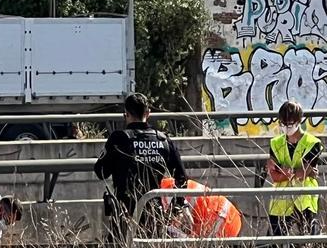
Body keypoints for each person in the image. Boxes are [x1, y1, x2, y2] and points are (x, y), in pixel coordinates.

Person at [94, 93, 188, 240]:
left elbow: (101, 172)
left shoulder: (119, 139)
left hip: (124, 215)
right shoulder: (163, 140)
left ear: (126, 114)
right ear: (148, 113)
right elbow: (181, 177)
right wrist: (175, 207)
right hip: (154, 215)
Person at [265, 101, 322, 236]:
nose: (285, 127)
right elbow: (274, 176)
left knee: (310, 240)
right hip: (281, 200)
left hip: (304, 199)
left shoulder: (312, 143)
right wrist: (293, 173)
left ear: (298, 121)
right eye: (282, 124)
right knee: (273, 243)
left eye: (289, 124)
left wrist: (283, 171)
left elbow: (303, 172)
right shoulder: (275, 143)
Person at [159, 177, 242, 239]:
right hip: (227, 216)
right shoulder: (170, 185)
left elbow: (175, 227)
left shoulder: (165, 195)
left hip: (223, 220)